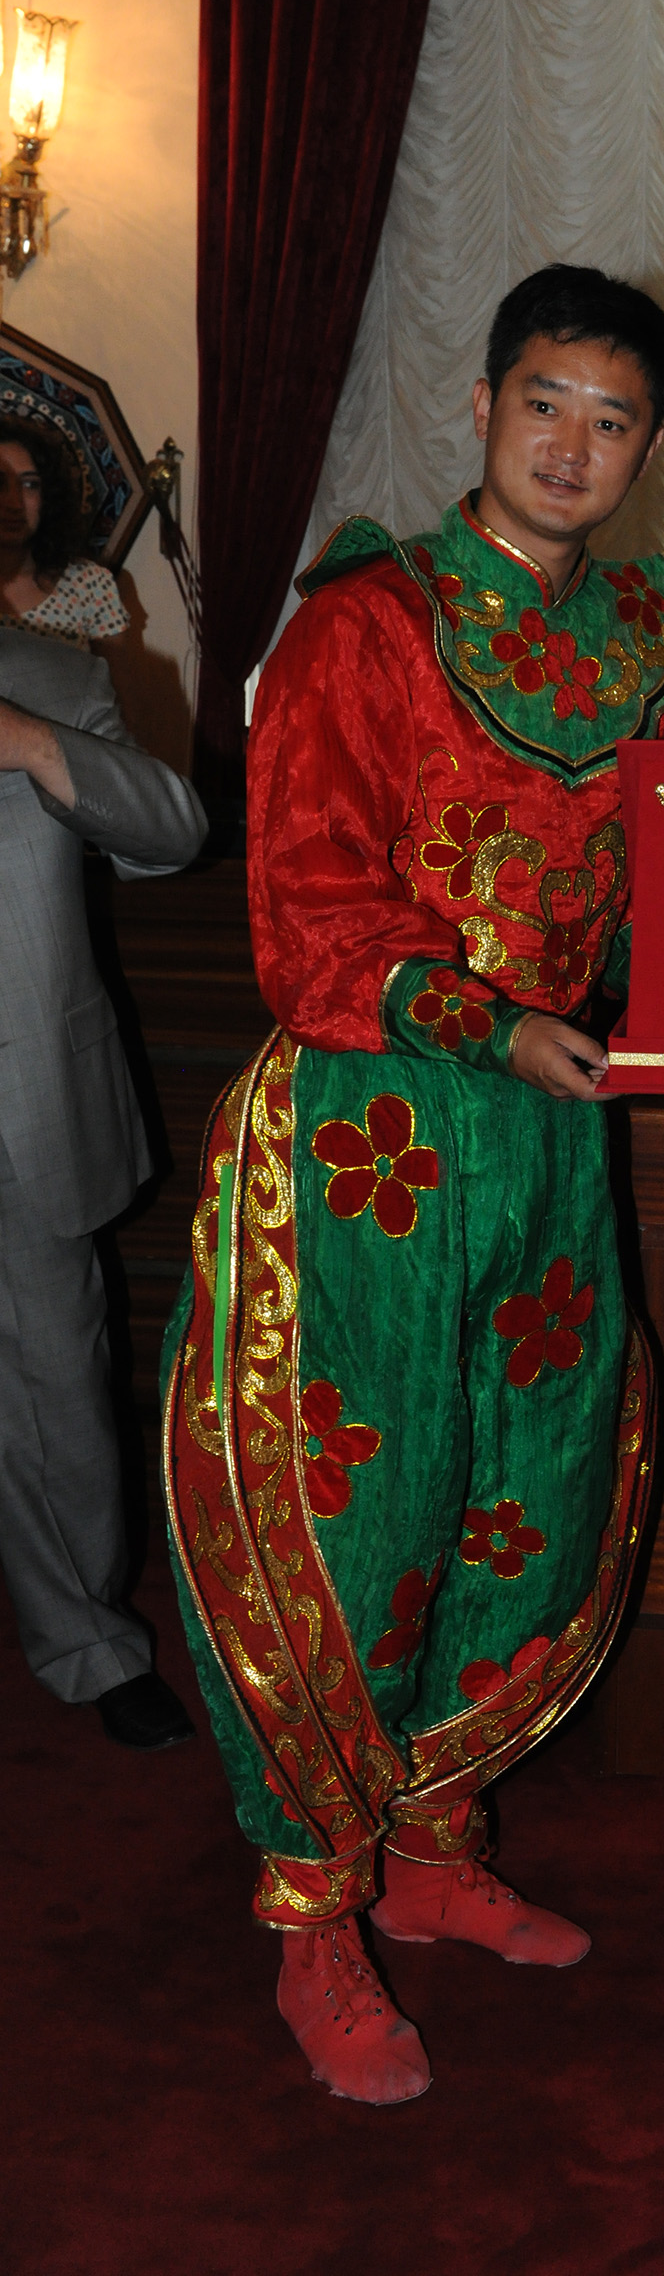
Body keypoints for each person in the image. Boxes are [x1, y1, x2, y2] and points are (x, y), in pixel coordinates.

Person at [162, 264, 664, 2107]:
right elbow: (307, 901)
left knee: (529, 1486)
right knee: (359, 1514)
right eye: (545, 403)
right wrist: (481, 1019)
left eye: (613, 420)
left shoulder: (654, 641)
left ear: (649, 446)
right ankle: (314, 1911)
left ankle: (435, 1844)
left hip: (551, 1135)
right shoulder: (364, 622)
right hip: (369, 1128)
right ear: (482, 408)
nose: (573, 446)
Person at [0, 618, 205, 1746]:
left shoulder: (49, 675)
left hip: (16, 1103)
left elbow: (171, 836)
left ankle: (87, 1641)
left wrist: (29, 742)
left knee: (52, 1386)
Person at [0, 414, 128, 648]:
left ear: (49, 496)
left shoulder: (89, 585)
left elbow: (118, 673)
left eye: (30, 485)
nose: (15, 503)